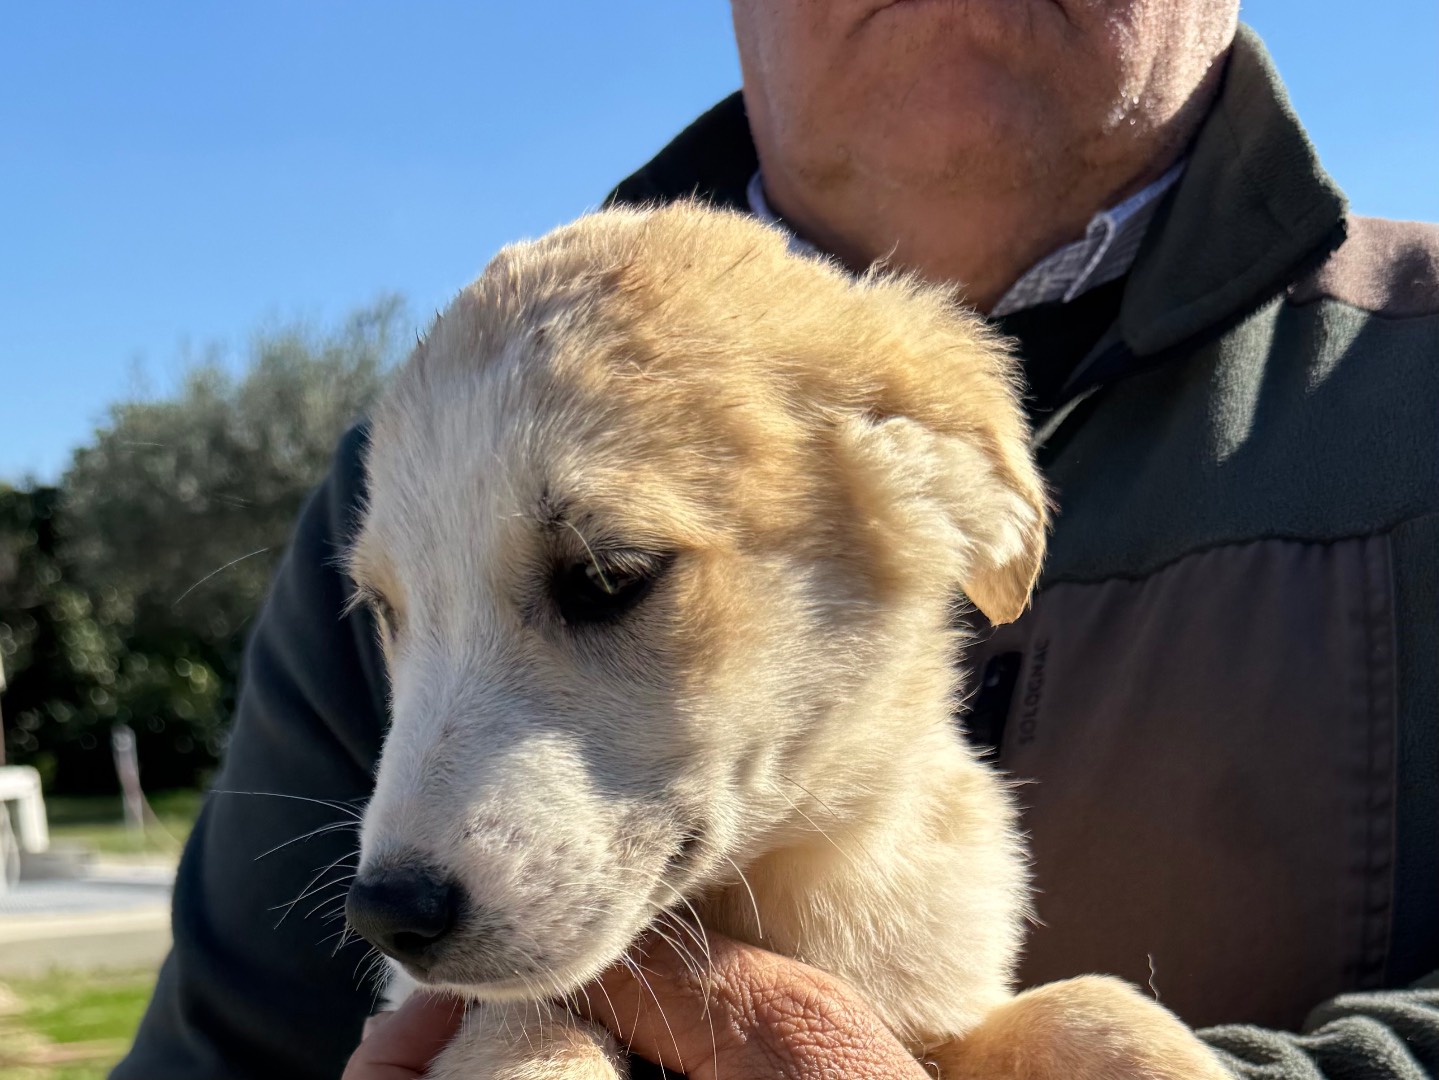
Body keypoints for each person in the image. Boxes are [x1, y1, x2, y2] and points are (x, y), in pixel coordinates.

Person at [113, 2, 1439, 1078]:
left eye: (608, 578)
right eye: (390, 615)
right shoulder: (421, 442)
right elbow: (219, 1055)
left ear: (969, 485)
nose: (413, 830)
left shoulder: (1410, 373)